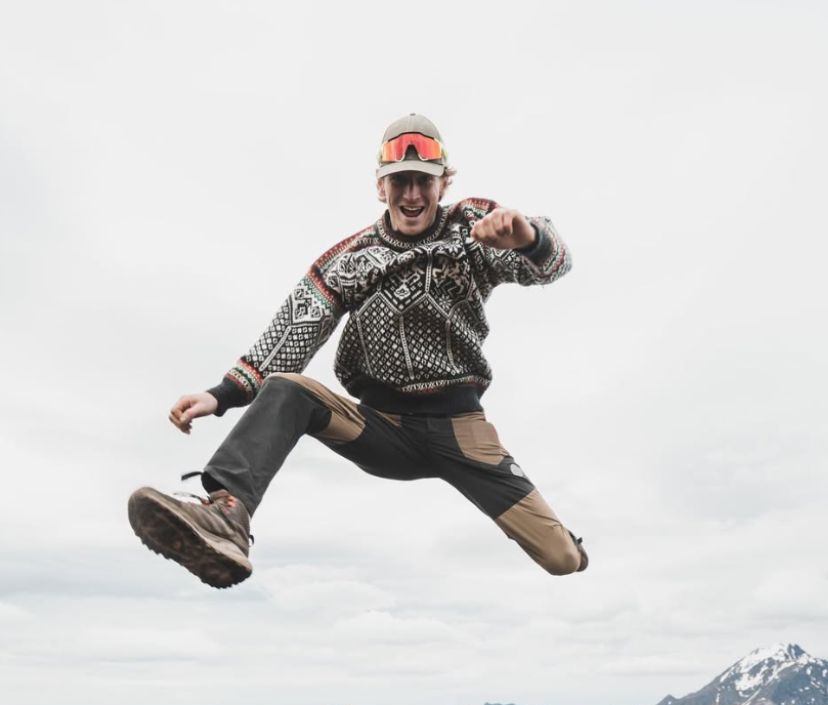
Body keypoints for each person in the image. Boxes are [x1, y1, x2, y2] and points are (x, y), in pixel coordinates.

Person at [128, 113, 588, 588]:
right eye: (399, 182)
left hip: (461, 432)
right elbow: (294, 329)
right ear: (380, 186)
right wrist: (222, 394)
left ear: (443, 183)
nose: (411, 195)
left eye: (423, 183)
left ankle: (570, 543)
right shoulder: (351, 259)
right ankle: (228, 515)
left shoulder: (469, 228)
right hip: (380, 428)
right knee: (290, 390)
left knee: (561, 559)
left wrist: (529, 239)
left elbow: (555, 263)